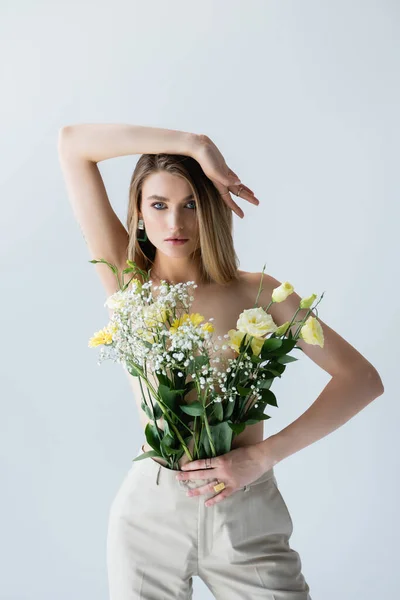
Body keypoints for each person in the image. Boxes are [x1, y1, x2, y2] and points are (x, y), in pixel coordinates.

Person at [58, 123, 384, 599]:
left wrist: (261, 457)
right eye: (159, 205)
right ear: (139, 213)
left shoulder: (259, 292)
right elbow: (73, 146)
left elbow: (361, 379)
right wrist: (193, 144)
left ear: (211, 207)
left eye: (191, 203)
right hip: (151, 515)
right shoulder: (128, 281)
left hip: (247, 512)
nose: (176, 223)